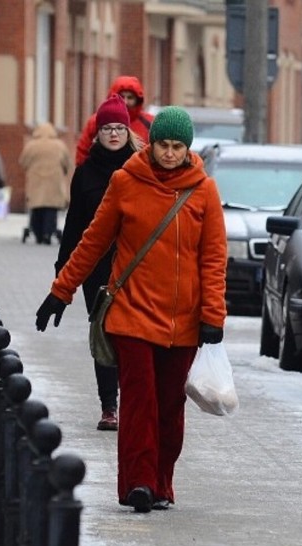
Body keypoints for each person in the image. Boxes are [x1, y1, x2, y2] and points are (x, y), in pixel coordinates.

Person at [35, 106, 227, 513]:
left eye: (178, 146)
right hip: (133, 314)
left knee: (170, 407)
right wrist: (61, 291)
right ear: (151, 143)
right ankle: (137, 483)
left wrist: (213, 315)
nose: (170, 153)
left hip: (182, 321)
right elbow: (92, 242)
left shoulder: (203, 191)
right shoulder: (125, 182)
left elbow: (213, 258)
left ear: (188, 149)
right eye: (163, 145)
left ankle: (161, 481)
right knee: (139, 402)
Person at [54, 95, 142, 431]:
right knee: (103, 334)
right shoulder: (85, 173)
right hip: (97, 269)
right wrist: (63, 273)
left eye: (120, 127)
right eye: (108, 128)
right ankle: (109, 406)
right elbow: (74, 225)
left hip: (135, 266)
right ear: (97, 132)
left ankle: (134, 401)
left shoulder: (141, 167)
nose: (115, 134)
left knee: (132, 336)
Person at [75, 75, 154, 166]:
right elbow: (83, 150)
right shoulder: (97, 121)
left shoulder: (149, 123)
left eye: (130, 97)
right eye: (121, 96)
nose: (125, 102)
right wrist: (85, 174)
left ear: (138, 100)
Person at [18, 122, 72, 245]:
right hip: (54, 183)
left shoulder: (31, 145)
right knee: (51, 209)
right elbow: (66, 163)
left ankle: (38, 233)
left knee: (37, 208)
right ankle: (49, 232)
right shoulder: (59, 145)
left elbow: (23, 162)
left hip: (36, 183)